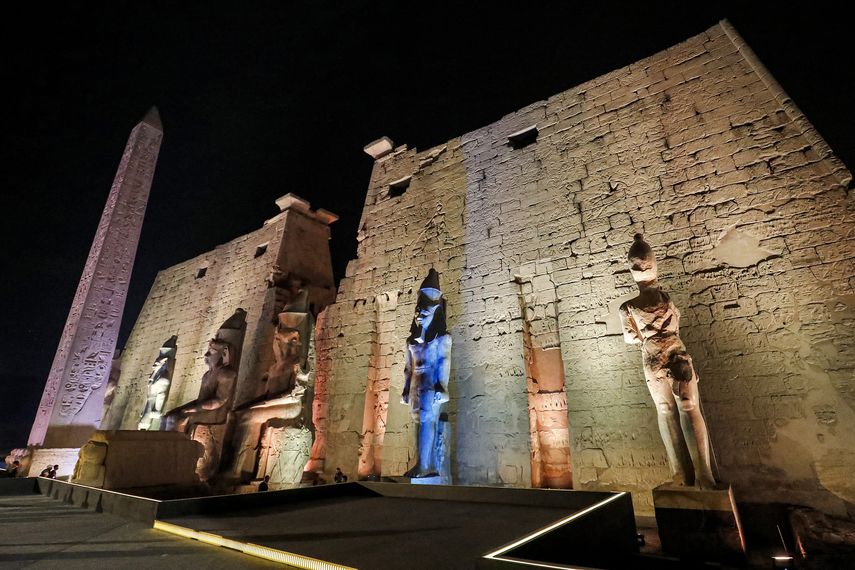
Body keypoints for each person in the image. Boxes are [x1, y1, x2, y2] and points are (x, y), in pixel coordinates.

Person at [619, 234, 716, 488]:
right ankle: (700, 474)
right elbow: (676, 322)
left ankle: (687, 474)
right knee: (687, 407)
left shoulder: (628, 307)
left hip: (652, 354)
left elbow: (631, 338)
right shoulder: (666, 298)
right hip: (673, 349)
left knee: (670, 411)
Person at [400, 268, 452, 478]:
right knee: (417, 421)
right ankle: (421, 462)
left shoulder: (442, 339)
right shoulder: (411, 341)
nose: (419, 316)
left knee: (427, 421)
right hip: (415, 384)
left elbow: (443, 362)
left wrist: (444, 387)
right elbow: (408, 368)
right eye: (418, 311)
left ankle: (425, 466)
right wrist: (405, 390)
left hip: (431, 384)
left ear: (435, 313)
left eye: (425, 312)